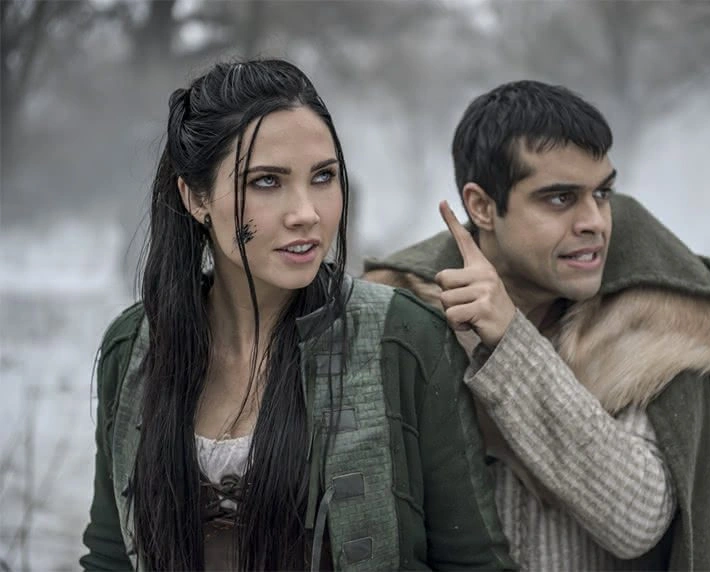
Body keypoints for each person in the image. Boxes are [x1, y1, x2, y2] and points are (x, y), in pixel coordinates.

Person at [79, 59, 515, 571]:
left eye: (323, 176)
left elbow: (474, 561)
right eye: (267, 181)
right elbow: (110, 555)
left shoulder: (403, 340)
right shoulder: (136, 349)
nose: (306, 213)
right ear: (196, 197)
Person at [363, 80, 710, 570]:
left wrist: (510, 344)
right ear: (482, 206)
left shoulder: (653, 318)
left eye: (602, 193)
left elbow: (636, 519)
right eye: (560, 198)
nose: (594, 221)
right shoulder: (401, 314)